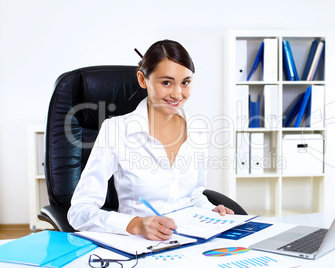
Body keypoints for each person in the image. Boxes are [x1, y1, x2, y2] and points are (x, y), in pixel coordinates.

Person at [67, 40, 234, 241]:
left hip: (191, 241)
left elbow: (194, 197)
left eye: (185, 82)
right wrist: (135, 224)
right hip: (139, 246)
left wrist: (213, 211)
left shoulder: (197, 129)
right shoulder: (116, 131)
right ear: (142, 79)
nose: (177, 94)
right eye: (166, 82)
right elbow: (79, 212)